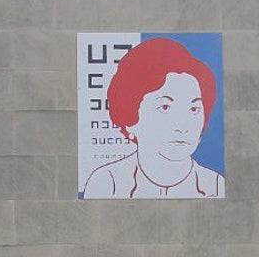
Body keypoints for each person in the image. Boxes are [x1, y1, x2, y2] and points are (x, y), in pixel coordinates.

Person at [82, 38, 224, 199]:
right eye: (164, 107)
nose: (182, 126)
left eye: (193, 109)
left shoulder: (215, 186)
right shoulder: (108, 183)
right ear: (131, 120)